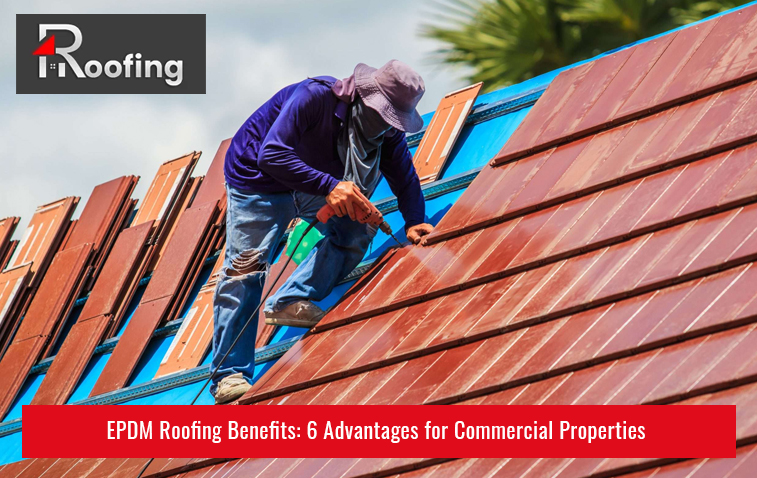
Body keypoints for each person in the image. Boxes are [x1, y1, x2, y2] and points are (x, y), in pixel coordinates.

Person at [212, 60, 434, 404]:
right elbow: (271, 154)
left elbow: (403, 173)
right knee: (246, 272)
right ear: (363, 97)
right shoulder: (314, 98)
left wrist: (414, 219)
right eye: (381, 117)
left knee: (359, 227)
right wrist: (330, 186)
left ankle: (290, 299)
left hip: (316, 179)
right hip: (258, 179)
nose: (384, 128)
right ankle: (229, 375)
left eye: (392, 121)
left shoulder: (386, 131)